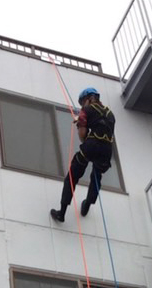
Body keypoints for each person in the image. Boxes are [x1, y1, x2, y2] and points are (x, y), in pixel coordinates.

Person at [50, 87, 115, 223]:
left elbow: (82, 136)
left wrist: (80, 124)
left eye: (82, 102)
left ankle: (61, 213)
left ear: (87, 99)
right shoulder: (111, 114)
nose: (82, 105)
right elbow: (102, 126)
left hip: (91, 147)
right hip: (107, 151)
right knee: (96, 176)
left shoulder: (86, 110)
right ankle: (87, 204)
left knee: (72, 176)